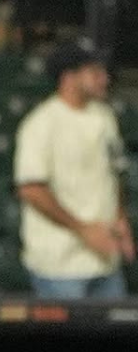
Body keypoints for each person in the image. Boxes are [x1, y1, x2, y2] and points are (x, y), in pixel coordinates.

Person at [14, 40, 135, 299]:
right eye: (93, 71)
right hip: (60, 265)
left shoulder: (104, 117)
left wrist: (120, 219)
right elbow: (31, 190)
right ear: (69, 77)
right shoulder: (41, 124)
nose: (103, 78)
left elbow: (113, 175)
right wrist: (83, 229)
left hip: (104, 259)